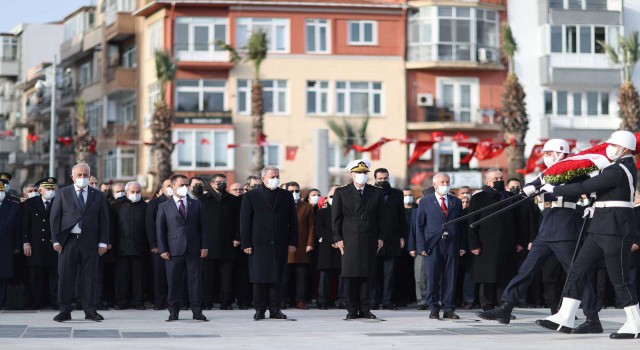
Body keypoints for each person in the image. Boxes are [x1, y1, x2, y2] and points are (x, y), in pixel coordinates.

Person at [478, 139, 600, 333]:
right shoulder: (546, 173)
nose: (547, 156)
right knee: (526, 269)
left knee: (576, 274)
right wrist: (529, 188)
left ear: (561, 153)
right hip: (546, 227)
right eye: (546, 153)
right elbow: (534, 184)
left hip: (565, 227)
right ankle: (507, 307)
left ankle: (593, 317)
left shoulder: (576, 171)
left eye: (550, 153)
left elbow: (588, 187)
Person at [536, 131, 640, 339]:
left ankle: (635, 323)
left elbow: (586, 186)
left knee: (619, 277)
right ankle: (565, 315)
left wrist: (554, 189)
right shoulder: (614, 168)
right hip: (600, 226)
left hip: (615, 228)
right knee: (578, 269)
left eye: (613, 145)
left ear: (625, 149)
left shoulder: (619, 169)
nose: (608, 148)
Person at [50, 163, 110, 322]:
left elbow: (104, 220)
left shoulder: (97, 195)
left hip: (89, 241)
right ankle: (65, 310)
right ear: (72, 177)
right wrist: (56, 240)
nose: (83, 178)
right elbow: (55, 218)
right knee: (65, 276)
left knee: (89, 277)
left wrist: (103, 242)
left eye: (85, 175)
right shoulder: (62, 193)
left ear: (90, 176)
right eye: (79, 175)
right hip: (68, 241)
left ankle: (90, 310)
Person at [240, 166, 298, 320]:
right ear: (263, 178)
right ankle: (259, 309)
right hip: (258, 244)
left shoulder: (286, 195)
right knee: (259, 278)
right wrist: (246, 243)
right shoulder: (251, 196)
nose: (276, 179)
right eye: (272, 176)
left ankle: (275, 308)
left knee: (277, 278)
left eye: (277, 176)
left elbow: (293, 221)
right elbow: (245, 222)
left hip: (280, 243)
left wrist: (293, 242)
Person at [332, 159, 384, 320]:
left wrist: (380, 237)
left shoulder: (376, 192)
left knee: (367, 274)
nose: (361, 176)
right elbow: (336, 218)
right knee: (350, 274)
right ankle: (352, 309)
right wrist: (338, 238)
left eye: (364, 173)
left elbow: (381, 217)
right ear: (351, 174)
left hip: (369, 235)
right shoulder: (341, 192)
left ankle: (366, 308)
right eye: (358, 173)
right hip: (349, 237)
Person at [468, 168, 524, 311]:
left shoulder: (511, 197)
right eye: (495, 179)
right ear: (487, 182)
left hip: (507, 243)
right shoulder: (478, 198)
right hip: (486, 244)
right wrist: (474, 244)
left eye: (500, 178)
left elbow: (519, 222)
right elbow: (471, 222)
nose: (499, 181)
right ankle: (487, 306)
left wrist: (519, 241)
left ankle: (503, 305)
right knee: (487, 276)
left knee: (505, 276)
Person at [157, 174, 209, 322]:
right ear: (173, 186)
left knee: (195, 282)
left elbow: (203, 227)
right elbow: (160, 230)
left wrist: (204, 246)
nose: (184, 188)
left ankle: (197, 312)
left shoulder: (196, 204)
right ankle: (173, 312)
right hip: (173, 251)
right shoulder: (164, 206)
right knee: (173, 282)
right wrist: (163, 249)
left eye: (187, 185)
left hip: (194, 249)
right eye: (181, 185)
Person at [415, 173, 464, 319]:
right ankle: (434, 307)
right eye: (442, 182)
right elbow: (420, 225)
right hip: (433, 244)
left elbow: (461, 225)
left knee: (450, 277)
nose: (445, 185)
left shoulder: (456, 201)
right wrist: (421, 246)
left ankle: (448, 308)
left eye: (447, 182)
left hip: (451, 243)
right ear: (435, 184)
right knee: (433, 277)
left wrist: (462, 245)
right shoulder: (426, 201)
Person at [201, 174, 240, 310]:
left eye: (224, 182)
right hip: (208, 245)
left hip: (228, 244)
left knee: (227, 277)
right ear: (211, 184)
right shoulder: (203, 200)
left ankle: (226, 302)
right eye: (218, 182)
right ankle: (207, 302)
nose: (221, 184)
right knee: (207, 277)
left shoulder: (233, 200)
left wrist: (237, 237)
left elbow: (238, 221)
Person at [370, 168, 406, 310]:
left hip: (392, 239)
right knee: (373, 274)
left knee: (389, 274)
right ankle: (373, 301)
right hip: (374, 239)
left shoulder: (397, 194)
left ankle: (387, 301)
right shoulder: (369, 193)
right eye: (380, 178)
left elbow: (401, 217)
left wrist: (402, 236)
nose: (383, 181)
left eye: (385, 178)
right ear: (375, 178)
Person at [22, 177, 59, 310]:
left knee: (55, 276)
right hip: (36, 245)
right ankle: (36, 302)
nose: (51, 191)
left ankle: (55, 301)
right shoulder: (30, 203)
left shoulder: (59, 202)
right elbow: (25, 224)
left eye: (52, 188)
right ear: (40, 190)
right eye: (48, 188)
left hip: (54, 244)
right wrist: (26, 242)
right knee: (35, 276)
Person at [112, 181, 148, 310]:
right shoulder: (117, 206)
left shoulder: (145, 207)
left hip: (140, 247)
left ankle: (138, 302)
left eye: (138, 192)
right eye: (132, 192)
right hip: (121, 248)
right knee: (121, 277)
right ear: (126, 193)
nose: (135, 194)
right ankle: (121, 302)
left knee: (139, 277)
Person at [285, 181, 315, 310]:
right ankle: (282, 300)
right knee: (284, 277)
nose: (294, 193)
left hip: (302, 246)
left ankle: (300, 300)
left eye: (296, 191)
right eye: (291, 191)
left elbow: (311, 227)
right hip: (285, 248)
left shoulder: (306, 207)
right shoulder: (281, 205)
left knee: (301, 278)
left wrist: (310, 243)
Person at [145, 179, 172, 310]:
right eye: (168, 186)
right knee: (159, 275)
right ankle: (159, 301)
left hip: (175, 245)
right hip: (159, 246)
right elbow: (150, 226)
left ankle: (171, 300)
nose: (171, 188)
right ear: (162, 188)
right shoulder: (154, 203)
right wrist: (154, 245)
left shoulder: (179, 202)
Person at [316, 187, 343, 310]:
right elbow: (320, 229)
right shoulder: (321, 212)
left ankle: (342, 299)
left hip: (342, 246)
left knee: (342, 275)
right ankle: (322, 300)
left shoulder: (345, 212)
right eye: (332, 196)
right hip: (327, 246)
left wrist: (339, 240)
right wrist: (334, 240)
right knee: (324, 275)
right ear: (327, 198)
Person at [405, 188, 427, 310]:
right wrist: (411, 247)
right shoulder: (416, 212)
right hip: (419, 248)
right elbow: (412, 231)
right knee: (419, 276)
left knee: (436, 276)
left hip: (435, 247)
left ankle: (435, 299)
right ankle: (421, 301)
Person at [0, 180, 20, 309]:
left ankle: (2, 301)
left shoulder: (13, 205)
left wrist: (17, 246)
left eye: (2, 190)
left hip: (6, 244)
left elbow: (18, 228)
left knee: (3, 275)